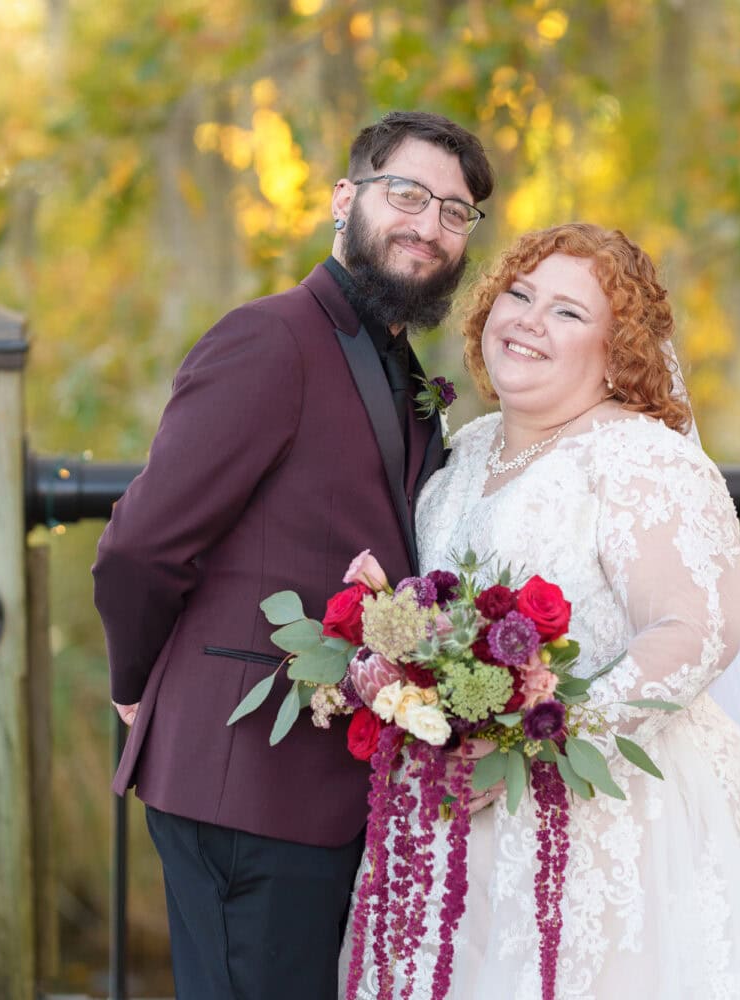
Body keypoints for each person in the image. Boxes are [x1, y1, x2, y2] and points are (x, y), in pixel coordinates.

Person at [341, 223, 740, 997]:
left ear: (616, 351)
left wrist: (534, 740)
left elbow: (696, 633)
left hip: (617, 823)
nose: (528, 320)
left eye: (568, 313)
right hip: (454, 824)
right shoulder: (463, 456)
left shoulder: (641, 459)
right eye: (519, 296)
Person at [93, 110, 494, 1000]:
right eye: (409, 194)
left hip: (328, 789)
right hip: (244, 786)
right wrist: (135, 685)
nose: (428, 225)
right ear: (345, 199)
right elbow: (139, 547)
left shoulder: (398, 366)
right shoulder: (271, 340)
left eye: (456, 212)